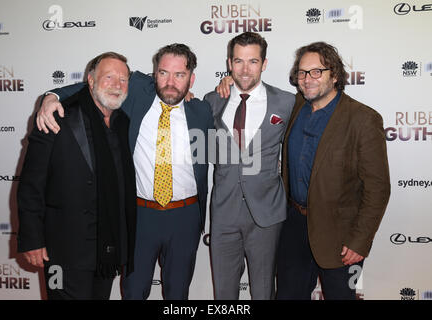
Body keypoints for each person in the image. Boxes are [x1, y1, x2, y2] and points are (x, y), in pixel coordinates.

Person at [35, 44, 214, 300]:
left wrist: (227, 83)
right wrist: (52, 96)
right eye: (163, 73)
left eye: (180, 75)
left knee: (178, 293)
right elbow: (93, 87)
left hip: (185, 217)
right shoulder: (136, 91)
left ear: (191, 78)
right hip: (138, 216)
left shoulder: (202, 110)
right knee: (133, 290)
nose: (170, 82)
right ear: (154, 74)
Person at [17, 52, 137, 300]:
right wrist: (31, 240)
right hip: (62, 250)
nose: (117, 85)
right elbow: (31, 184)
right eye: (109, 77)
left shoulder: (123, 122)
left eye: (123, 79)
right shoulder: (56, 116)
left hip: (106, 249)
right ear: (90, 81)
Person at [276, 41, 390, 299]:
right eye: (302, 73)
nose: (307, 79)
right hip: (294, 226)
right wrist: (227, 85)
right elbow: (258, 93)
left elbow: (378, 187)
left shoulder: (363, 119)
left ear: (335, 75)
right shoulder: (295, 106)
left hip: (341, 236)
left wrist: (360, 241)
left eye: (317, 71)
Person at [204, 32, 295, 299]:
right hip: (223, 213)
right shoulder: (212, 100)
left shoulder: (287, 102)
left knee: (264, 290)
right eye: (239, 61)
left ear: (264, 64)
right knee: (223, 292)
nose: (245, 69)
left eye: (253, 61)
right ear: (229, 63)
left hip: (267, 214)